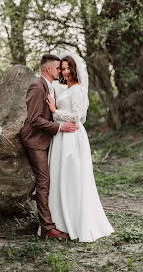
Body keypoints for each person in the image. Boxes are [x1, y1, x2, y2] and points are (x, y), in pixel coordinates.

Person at [46, 53, 114, 242]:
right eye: (63, 68)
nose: (66, 72)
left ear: (75, 69)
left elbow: (76, 116)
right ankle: (59, 223)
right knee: (59, 177)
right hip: (61, 135)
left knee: (73, 177)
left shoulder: (76, 90)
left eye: (69, 68)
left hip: (72, 135)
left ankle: (76, 222)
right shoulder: (63, 88)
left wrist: (54, 111)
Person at [20, 54, 78, 239]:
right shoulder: (37, 86)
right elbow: (34, 119)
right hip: (35, 141)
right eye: (58, 68)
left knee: (52, 180)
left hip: (48, 140)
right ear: (48, 69)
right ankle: (47, 228)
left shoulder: (51, 87)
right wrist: (60, 127)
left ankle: (56, 219)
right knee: (44, 182)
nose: (60, 71)